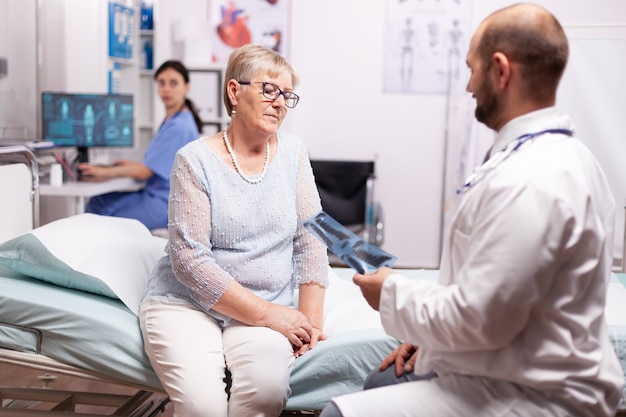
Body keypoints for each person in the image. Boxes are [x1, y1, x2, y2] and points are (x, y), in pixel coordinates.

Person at [320, 3, 624, 417]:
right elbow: (498, 287)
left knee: (339, 413)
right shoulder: (564, 155)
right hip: (519, 360)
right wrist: (431, 335)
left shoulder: (531, 180)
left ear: (501, 70)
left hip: (533, 394)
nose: (469, 86)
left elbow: (484, 320)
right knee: (381, 380)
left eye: (472, 69)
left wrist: (390, 291)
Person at [138, 44, 329, 417]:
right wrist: (270, 315)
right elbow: (190, 262)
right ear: (234, 91)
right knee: (202, 406)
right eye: (269, 90)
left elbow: (312, 237)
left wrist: (311, 323)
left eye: (287, 95)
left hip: (267, 300)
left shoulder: (293, 152)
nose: (279, 103)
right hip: (187, 304)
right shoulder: (193, 160)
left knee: (267, 392)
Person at [78, 60, 202, 231]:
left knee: (103, 217)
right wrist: (128, 166)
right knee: (98, 202)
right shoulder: (173, 119)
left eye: (173, 83)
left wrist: (104, 171)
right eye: (161, 83)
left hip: (165, 202)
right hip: (154, 193)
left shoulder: (180, 126)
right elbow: (156, 165)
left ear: (186, 87)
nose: (166, 88)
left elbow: (145, 172)